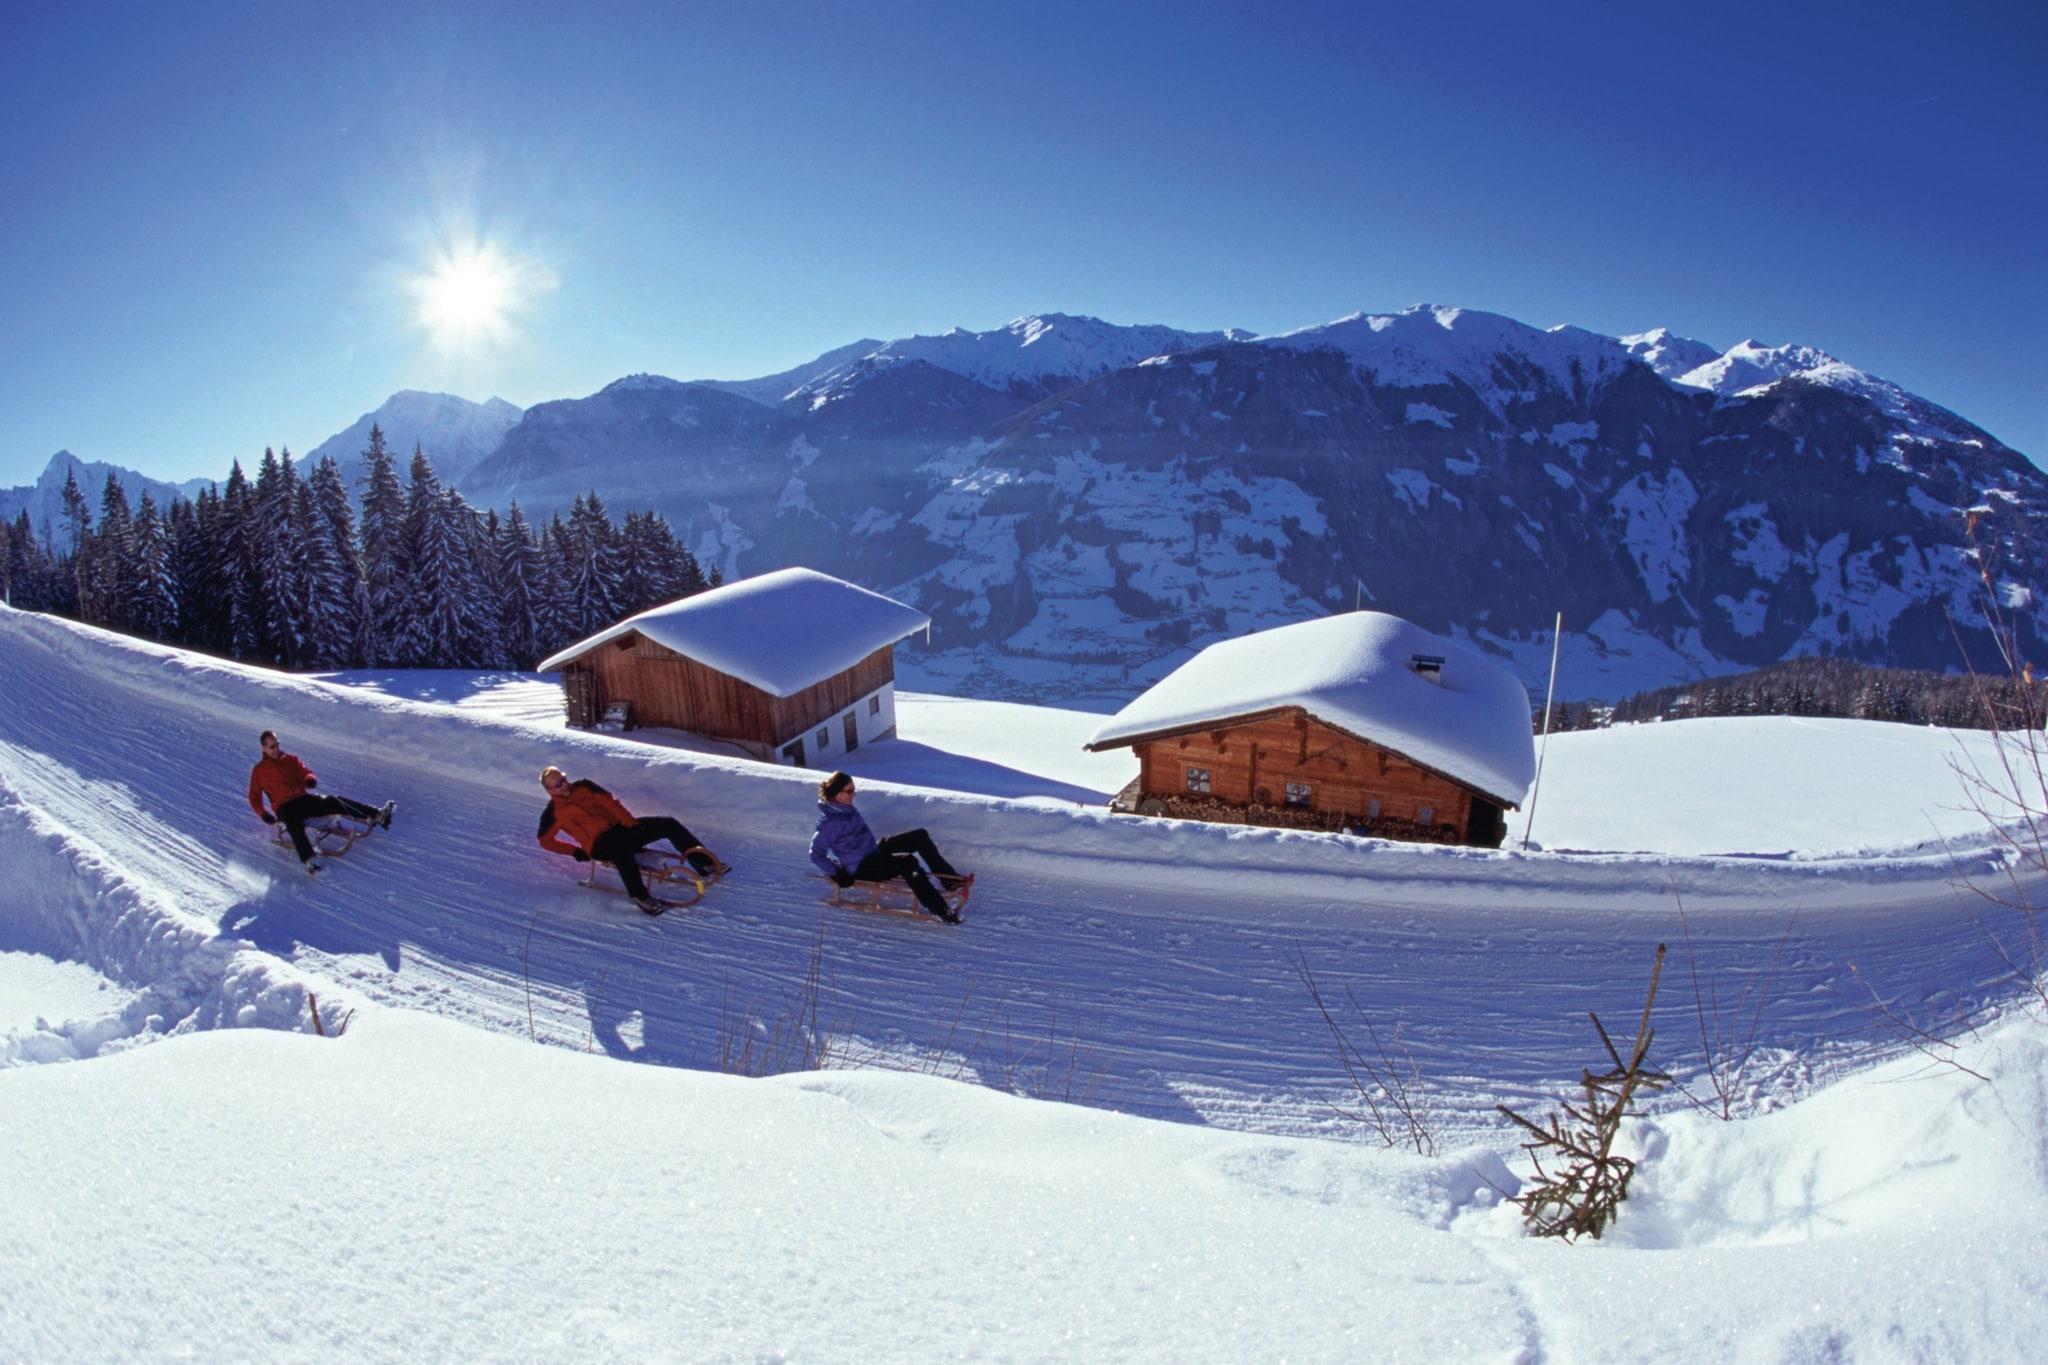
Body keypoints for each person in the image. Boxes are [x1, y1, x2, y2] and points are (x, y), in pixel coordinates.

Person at [536, 766, 725, 913]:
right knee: (620, 848)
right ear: (549, 790)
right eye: (558, 784)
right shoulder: (553, 813)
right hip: (598, 845)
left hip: (620, 829)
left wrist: (630, 823)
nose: (564, 785)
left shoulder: (585, 786)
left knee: (667, 824)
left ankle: (704, 865)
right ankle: (640, 896)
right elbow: (545, 840)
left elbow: (611, 802)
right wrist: (574, 851)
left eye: (563, 779)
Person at [809, 771, 967, 923]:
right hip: (863, 867)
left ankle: (949, 881)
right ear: (836, 793)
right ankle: (941, 910)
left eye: (854, 790)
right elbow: (815, 854)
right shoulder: (829, 824)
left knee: (919, 836)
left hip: (873, 852)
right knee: (907, 861)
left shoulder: (845, 809)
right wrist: (836, 873)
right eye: (849, 791)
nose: (854, 794)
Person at [247, 730, 395, 875]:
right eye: (272, 747)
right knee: (293, 823)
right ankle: (309, 860)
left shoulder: (290, 759)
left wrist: (309, 779)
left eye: (277, 744)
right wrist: (263, 813)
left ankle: (377, 815)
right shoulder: (259, 771)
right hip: (284, 807)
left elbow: (306, 771)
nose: (276, 749)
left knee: (332, 801)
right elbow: (254, 796)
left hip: (302, 799)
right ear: (263, 748)